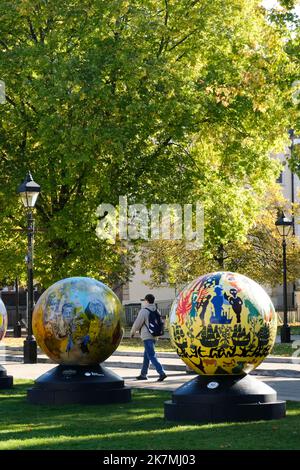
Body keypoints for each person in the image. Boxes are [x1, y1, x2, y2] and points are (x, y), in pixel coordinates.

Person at [130, 293, 167, 382]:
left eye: (144, 300)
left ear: (146, 301)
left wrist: (132, 332)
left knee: (151, 355)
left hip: (147, 336)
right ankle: (143, 374)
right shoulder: (157, 310)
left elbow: (137, 324)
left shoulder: (144, 311)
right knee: (146, 356)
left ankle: (161, 372)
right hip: (154, 336)